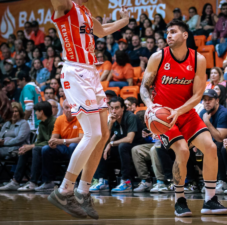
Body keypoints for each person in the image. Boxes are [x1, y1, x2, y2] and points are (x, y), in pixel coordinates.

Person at [140, 20, 227, 217]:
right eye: (167, 33)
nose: (168, 36)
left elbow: (198, 95)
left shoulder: (198, 59)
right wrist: (151, 106)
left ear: (185, 35)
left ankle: (210, 200)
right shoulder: (158, 57)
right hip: (164, 118)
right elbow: (143, 87)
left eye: (173, 32)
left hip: (185, 113)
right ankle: (179, 200)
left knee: (211, 147)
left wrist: (179, 112)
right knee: (182, 150)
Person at [49, 0, 129, 219]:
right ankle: (64, 190)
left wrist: (123, 21)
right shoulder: (65, 6)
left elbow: (101, 30)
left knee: (102, 135)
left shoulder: (84, 10)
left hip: (91, 72)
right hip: (75, 71)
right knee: (91, 134)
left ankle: (83, 192)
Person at [0, 102, 55, 192]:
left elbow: (50, 141)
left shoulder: (53, 122)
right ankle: (15, 181)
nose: (35, 113)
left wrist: (31, 146)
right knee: (25, 150)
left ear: (42, 112)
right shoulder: (41, 124)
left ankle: (33, 182)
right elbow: (39, 141)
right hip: (42, 147)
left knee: (35, 149)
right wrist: (28, 147)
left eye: (36, 111)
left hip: (54, 148)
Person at [95, 97, 145, 192]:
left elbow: (129, 139)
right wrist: (110, 125)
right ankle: (103, 181)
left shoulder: (130, 117)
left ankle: (126, 182)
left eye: (117, 108)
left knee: (123, 146)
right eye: (112, 108)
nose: (114, 111)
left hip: (137, 145)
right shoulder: (113, 119)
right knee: (101, 147)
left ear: (123, 108)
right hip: (124, 148)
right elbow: (106, 140)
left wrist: (112, 143)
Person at [35, 100, 84, 192]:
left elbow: (80, 139)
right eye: (66, 108)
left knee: (74, 146)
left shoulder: (80, 118)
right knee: (46, 149)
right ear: (63, 110)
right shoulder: (60, 119)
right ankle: (48, 182)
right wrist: (52, 142)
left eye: (71, 107)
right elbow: (54, 137)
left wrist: (62, 141)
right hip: (64, 148)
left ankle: (74, 181)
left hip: (78, 148)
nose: (69, 110)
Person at [199, 89, 227, 195]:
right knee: (191, 149)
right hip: (211, 143)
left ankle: (222, 181)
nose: (207, 102)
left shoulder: (224, 114)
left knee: (216, 146)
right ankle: (196, 182)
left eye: (210, 99)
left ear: (217, 101)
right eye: (205, 100)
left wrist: (207, 122)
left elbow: (220, 138)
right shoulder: (202, 113)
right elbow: (198, 132)